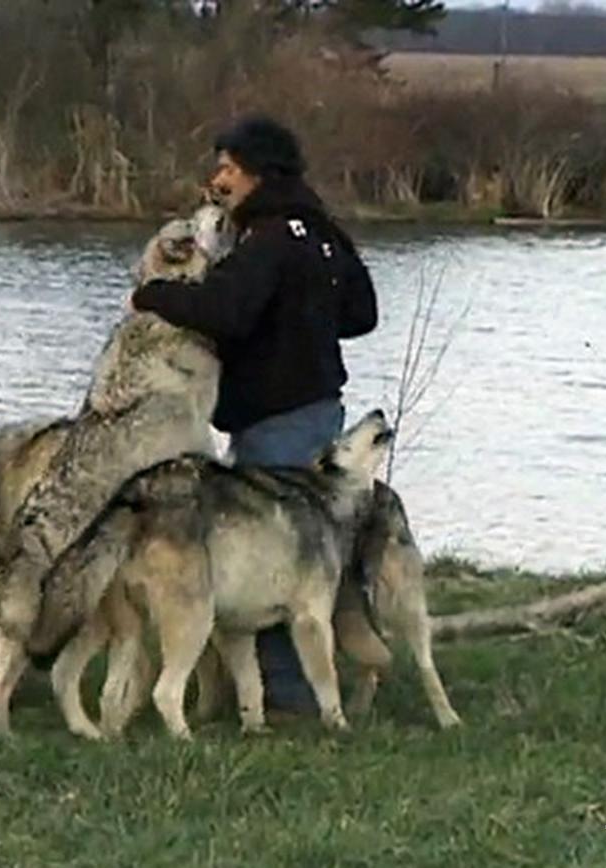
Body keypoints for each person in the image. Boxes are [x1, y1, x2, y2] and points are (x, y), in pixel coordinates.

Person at [130, 115, 378, 715]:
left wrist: (152, 293)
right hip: (320, 410)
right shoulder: (320, 232)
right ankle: (283, 689)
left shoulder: (267, 239)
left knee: (275, 562)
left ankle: (284, 695)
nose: (218, 179)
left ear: (259, 174)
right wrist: (305, 320)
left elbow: (225, 310)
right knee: (307, 553)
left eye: (228, 168)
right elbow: (362, 312)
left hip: (277, 423)